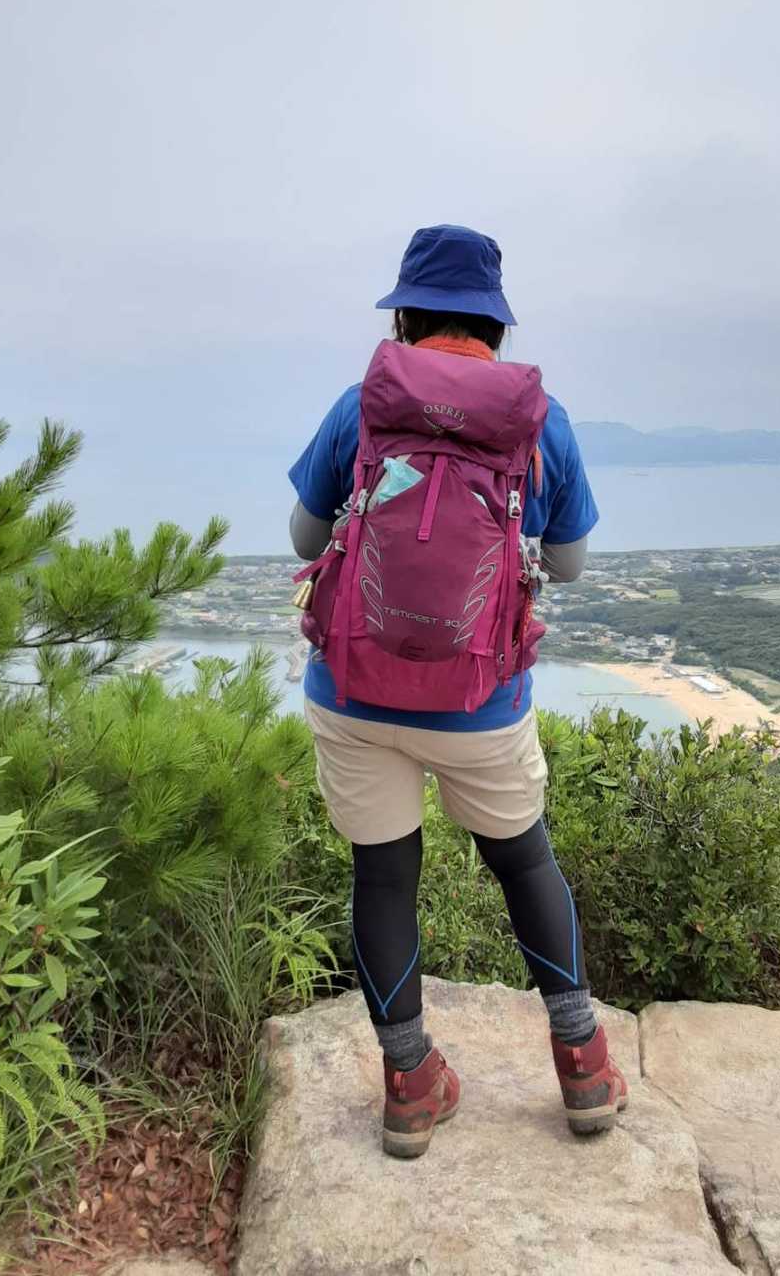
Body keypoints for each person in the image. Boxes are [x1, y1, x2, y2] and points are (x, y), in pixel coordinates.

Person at [288, 224, 627, 1158]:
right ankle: (584, 1066)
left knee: (382, 877)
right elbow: (569, 563)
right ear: (494, 325)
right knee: (524, 864)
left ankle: (410, 1086)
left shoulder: (360, 405)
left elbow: (303, 537)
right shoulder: (539, 418)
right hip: (479, 703)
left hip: (353, 691)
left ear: (403, 316)